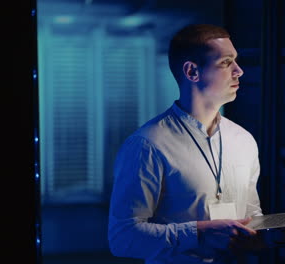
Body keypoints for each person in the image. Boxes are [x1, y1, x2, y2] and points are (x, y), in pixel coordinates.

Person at [108, 23, 265, 264]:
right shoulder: (146, 145)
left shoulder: (243, 140)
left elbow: (252, 214)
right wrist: (198, 232)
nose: (239, 71)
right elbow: (122, 237)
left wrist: (271, 233)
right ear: (192, 72)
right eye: (226, 62)